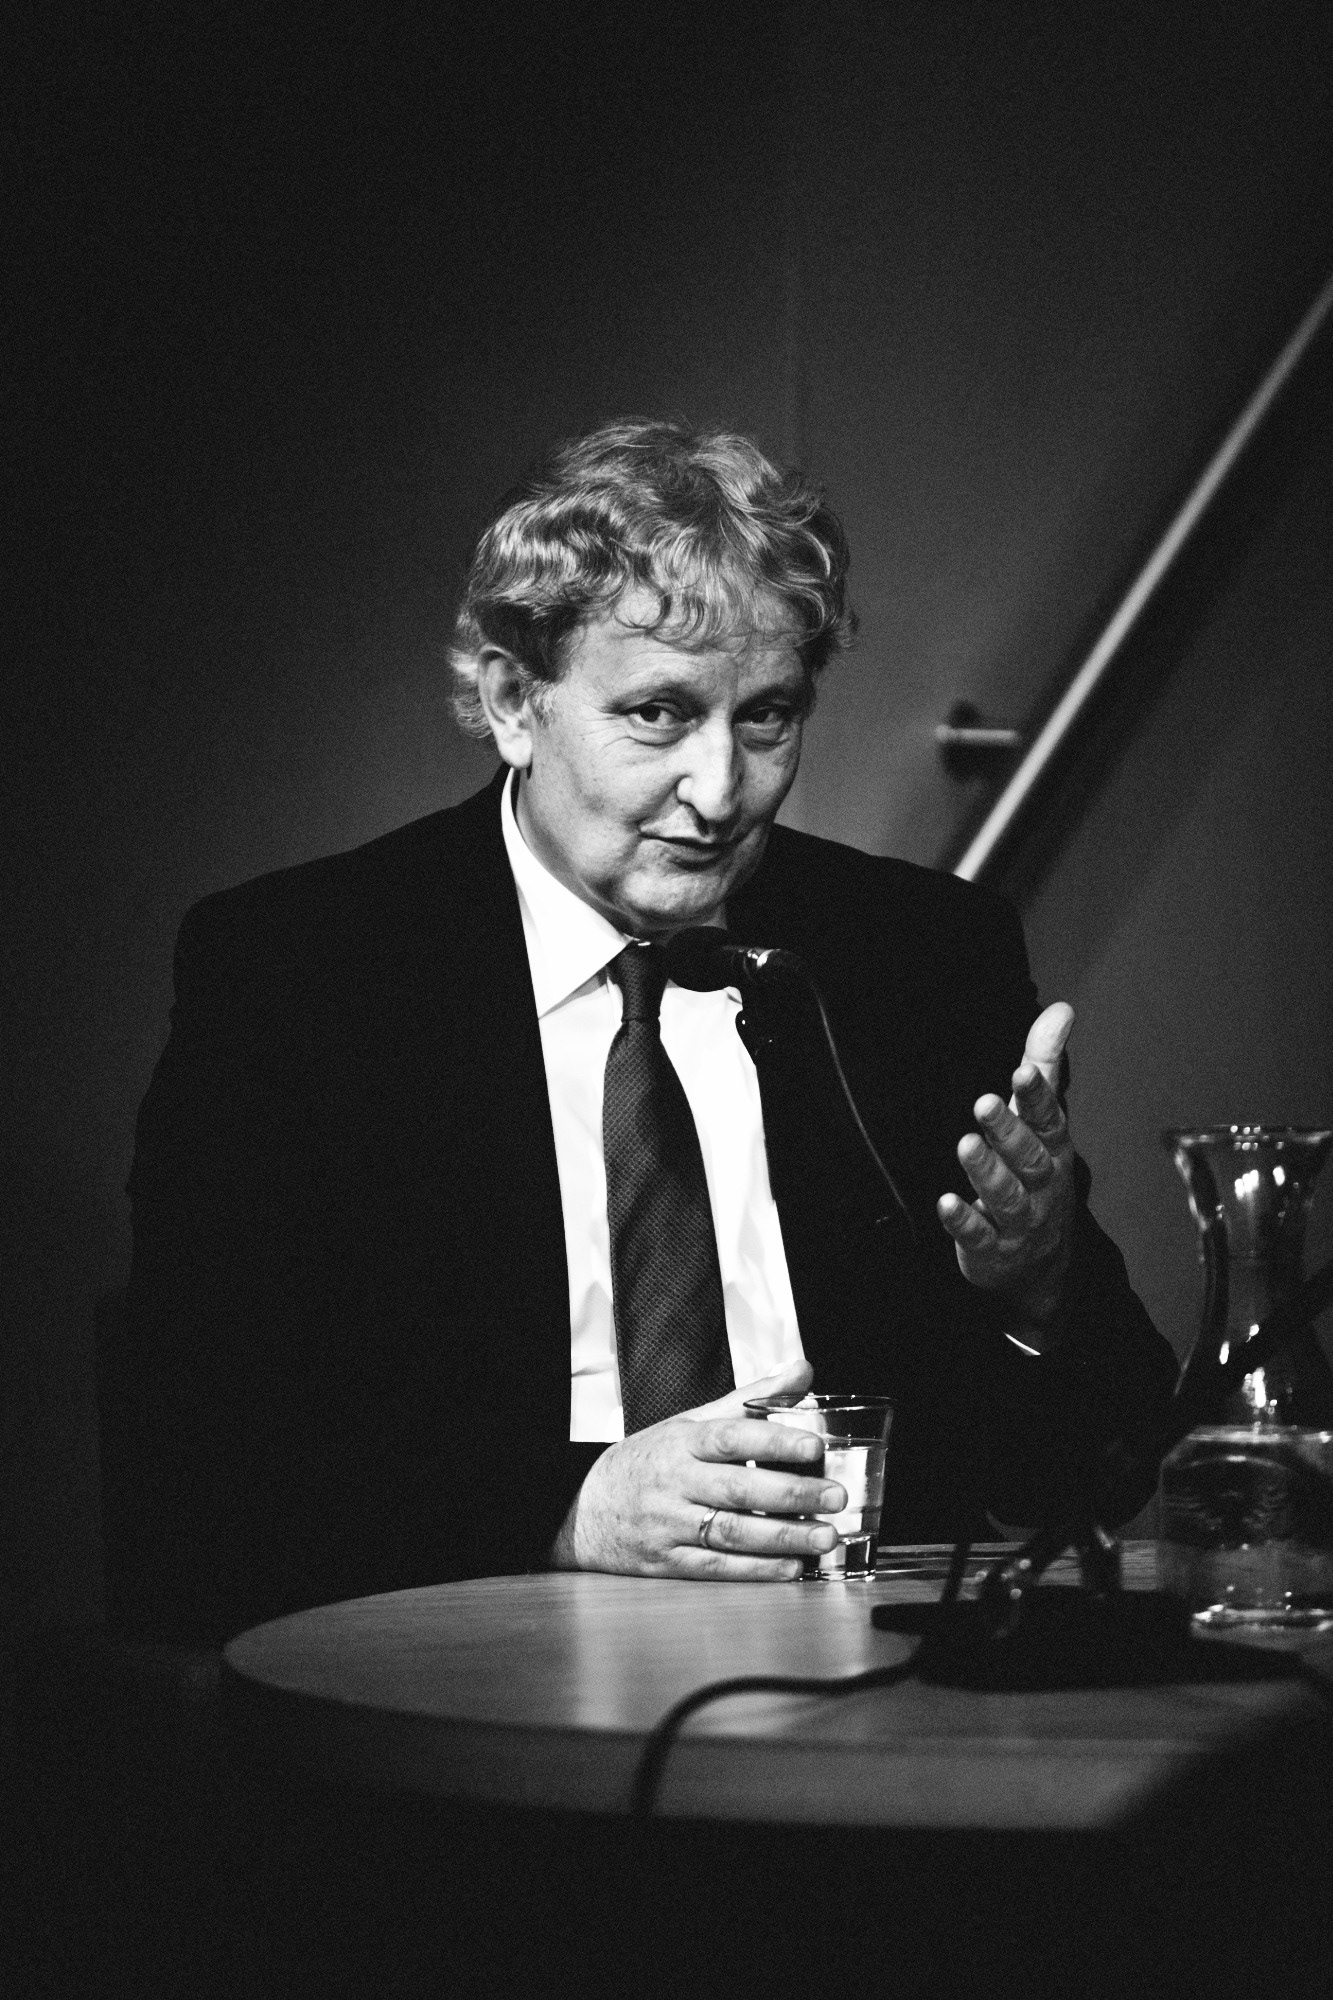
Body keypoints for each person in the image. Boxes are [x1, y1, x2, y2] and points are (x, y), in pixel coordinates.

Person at [109, 420, 1177, 1643]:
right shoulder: (302, 975)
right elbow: (204, 1459)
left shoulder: (917, 953)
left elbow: (1108, 1458)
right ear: (514, 700)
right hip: (468, 1661)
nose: (719, 791)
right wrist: (570, 1509)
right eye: (659, 713)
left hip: (861, 1671)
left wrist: (1033, 1284)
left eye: (766, 717)